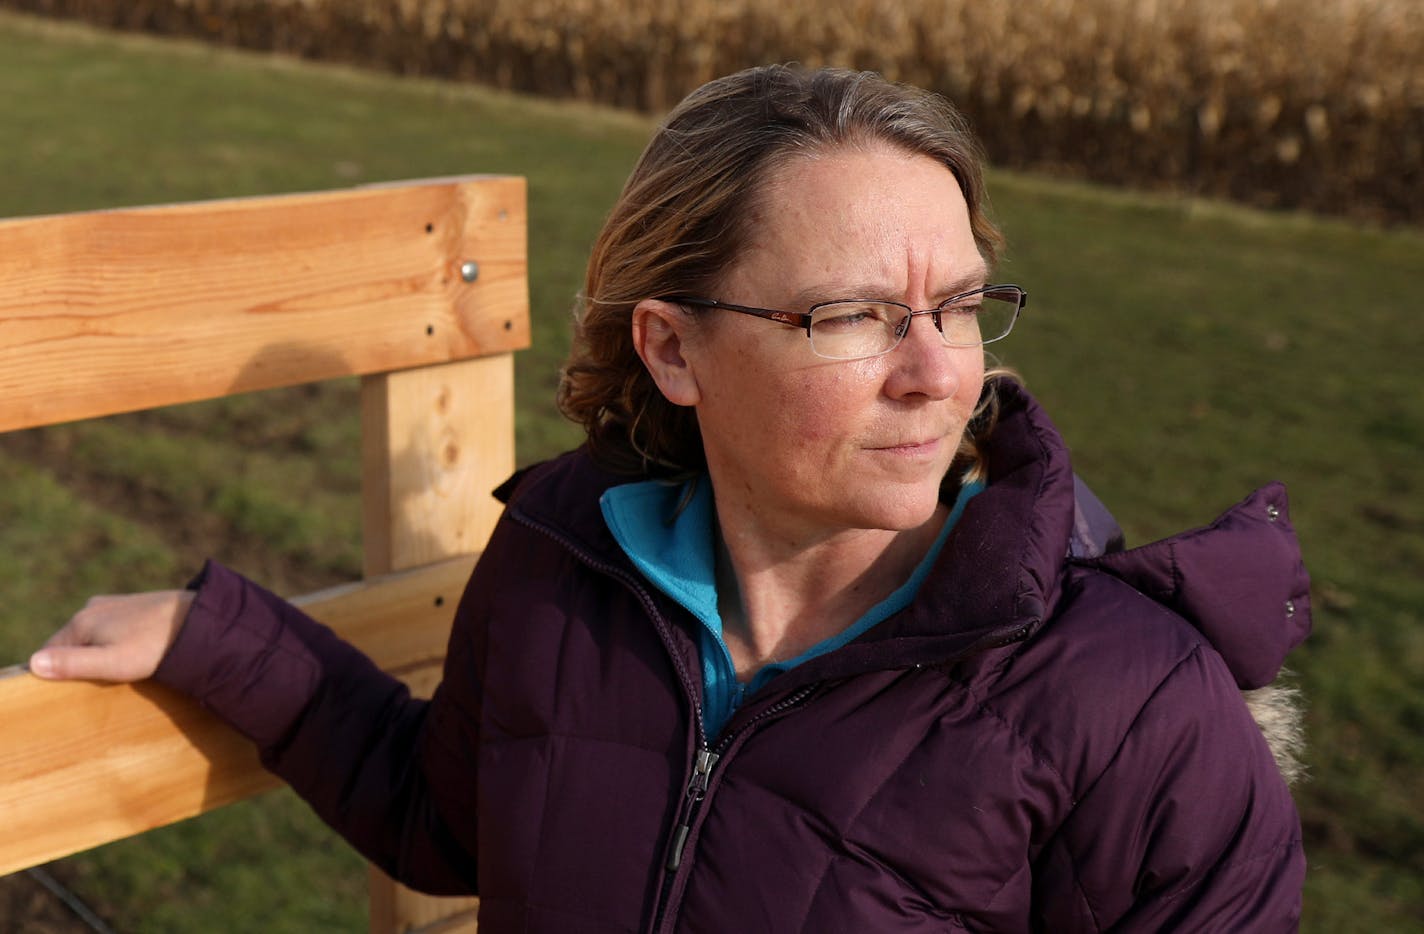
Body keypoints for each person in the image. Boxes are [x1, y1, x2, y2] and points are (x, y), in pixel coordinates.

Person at [29, 64, 1309, 931]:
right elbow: (448, 823)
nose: (938, 375)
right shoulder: (558, 571)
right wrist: (222, 639)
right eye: (852, 316)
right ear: (671, 348)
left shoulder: (1132, 707)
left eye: (961, 306)